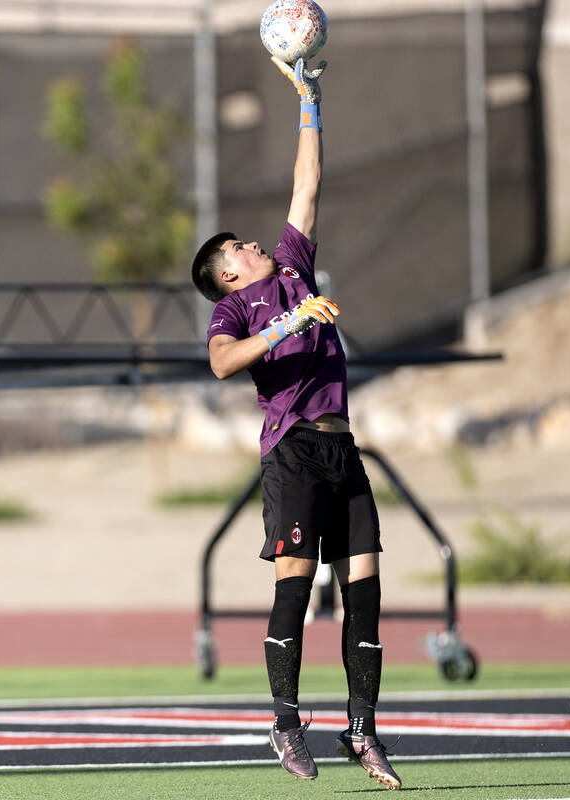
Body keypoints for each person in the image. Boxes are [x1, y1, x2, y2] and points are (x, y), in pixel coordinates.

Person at [190, 52, 401, 790]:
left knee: (366, 585)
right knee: (295, 580)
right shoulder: (235, 308)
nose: (254, 245)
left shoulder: (291, 270)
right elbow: (222, 363)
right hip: (291, 457)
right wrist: (285, 328)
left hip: (342, 449)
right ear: (228, 272)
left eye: (252, 242)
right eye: (239, 249)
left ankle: (362, 731)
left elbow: (307, 182)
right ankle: (284, 726)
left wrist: (308, 99)